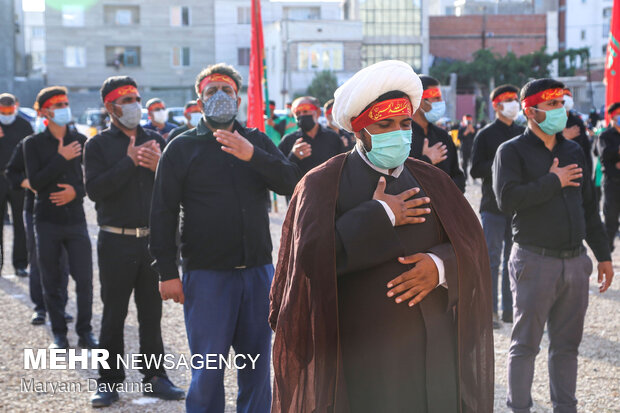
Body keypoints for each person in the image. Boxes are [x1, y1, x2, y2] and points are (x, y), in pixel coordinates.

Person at [270, 60, 493, 413]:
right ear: (360, 130)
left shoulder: (432, 179)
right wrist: (380, 215)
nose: (399, 132)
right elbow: (309, 261)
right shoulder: (322, 183)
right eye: (385, 124)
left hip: (434, 349)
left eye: (405, 123)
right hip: (363, 354)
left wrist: (439, 266)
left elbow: (471, 244)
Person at [150, 63, 300, 413]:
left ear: (239, 97)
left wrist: (253, 156)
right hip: (207, 276)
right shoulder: (181, 147)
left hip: (258, 273)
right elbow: (162, 212)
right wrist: (167, 271)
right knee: (208, 370)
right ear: (199, 102)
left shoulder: (258, 141)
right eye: (211, 92)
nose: (220, 97)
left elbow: (293, 184)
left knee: (256, 369)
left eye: (227, 91)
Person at [493, 78, 614, 413]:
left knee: (567, 347)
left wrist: (603, 255)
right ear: (531, 111)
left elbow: (589, 206)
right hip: (534, 260)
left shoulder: (573, 150)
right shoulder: (511, 151)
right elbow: (507, 199)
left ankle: (565, 407)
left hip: (575, 262)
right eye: (552, 105)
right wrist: (552, 181)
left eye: (562, 104)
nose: (561, 111)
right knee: (525, 344)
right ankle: (519, 407)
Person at [85, 76, 185, 407]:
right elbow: (95, 191)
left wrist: (160, 168)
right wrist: (128, 162)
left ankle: (155, 377)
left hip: (151, 242)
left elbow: (173, 191)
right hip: (115, 241)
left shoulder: (156, 139)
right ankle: (108, 381)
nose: (133, 104)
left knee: (151, 314)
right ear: (110, 106)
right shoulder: (97, 146)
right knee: (113, 313)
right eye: (125, 99)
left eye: (136, 97)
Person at [24, 86, 96, 350]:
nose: (63, 107)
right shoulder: (32, 144)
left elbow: (91, 180)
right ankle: (59, 334)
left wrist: (75, 191)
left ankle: (85, 331)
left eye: (65, 102)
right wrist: (60, 158)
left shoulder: (81, 140)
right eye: (57, 104)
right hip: (46, 221)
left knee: (85, 279)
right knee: (51, 279)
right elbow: (36, 182)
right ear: (44, 111)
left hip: (76, 220)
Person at [470, 85, 524, 327]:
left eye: (516, 99)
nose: (514, 103)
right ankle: (489, 310)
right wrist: (500, 164)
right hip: (492, 207)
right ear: (496, 105)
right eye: (509, 100)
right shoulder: (485, 135)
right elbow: (475, 169)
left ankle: (510, 310)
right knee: (491, 260)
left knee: (514, 261)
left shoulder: (524, 133)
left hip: (518, 207)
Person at [5, 139, 71, 325]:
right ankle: (40, 308)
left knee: (62, 262)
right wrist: (29, 182)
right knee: (37, 259)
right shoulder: (29, 144)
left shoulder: (72, 142)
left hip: (64, 210)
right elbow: (12, 172)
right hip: (35, 210)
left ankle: (60, 306)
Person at [409, 75, 466, 192]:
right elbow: (400, 180)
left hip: (446, 207)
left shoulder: (443, 136)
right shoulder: (403, 137)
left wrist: (445, 190)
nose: (441, 102)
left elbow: (458, 176)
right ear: (419, 101)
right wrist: (425, 160)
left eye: (441, 98)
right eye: (436, 98)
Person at [278, 96, 345, 178]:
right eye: (298, 113)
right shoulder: (288, 141)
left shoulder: (333, 138)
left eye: (305, 111)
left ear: (318, 113)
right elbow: (280, 174)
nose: (302, 115)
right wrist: (294, 157)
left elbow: (344, 168)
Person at [0, 93, 30, 276]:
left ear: (15, 107)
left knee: (20, 223)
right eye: (2, 110)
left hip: (18, 180)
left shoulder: (24, 126)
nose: (6, 113)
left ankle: (20, 264)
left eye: (9, 110)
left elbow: (31, 154)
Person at [597, 102, 620, 252]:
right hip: (612, 184)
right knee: (610, 220)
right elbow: (604, 156)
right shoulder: (605, 136)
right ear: (612, 117)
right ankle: (606, 253)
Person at [562, 88, 593, 181]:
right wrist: (562, 137)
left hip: (578, 170)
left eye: (568, 95)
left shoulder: (577, 122)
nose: (566, 98)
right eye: (563, 95)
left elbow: (586, 150)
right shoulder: (550, 122)